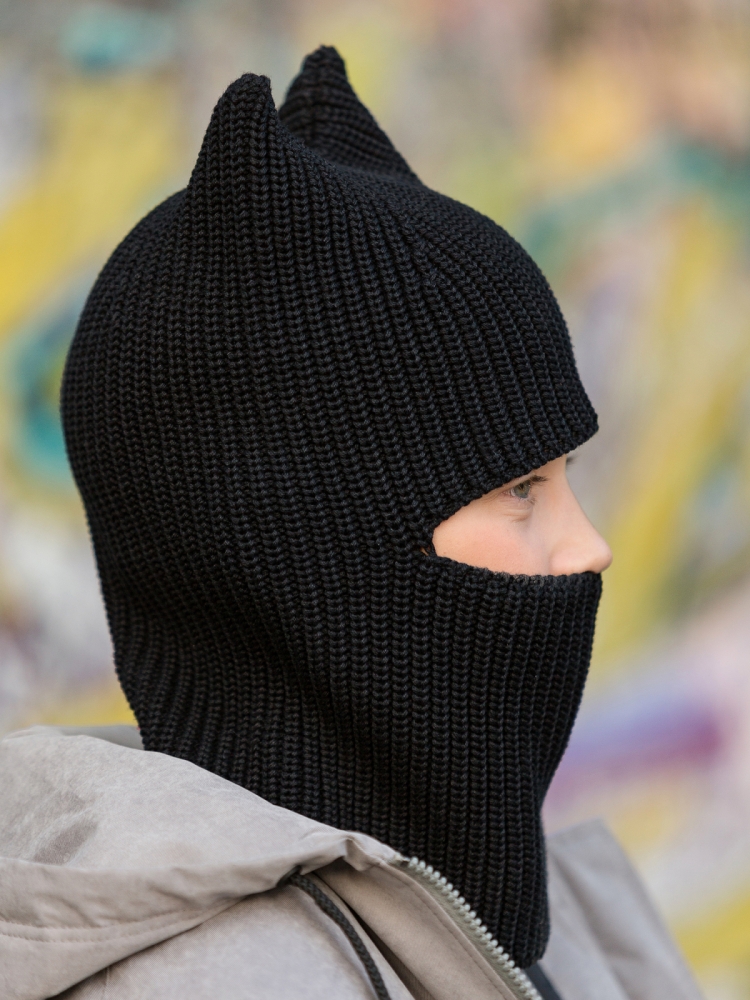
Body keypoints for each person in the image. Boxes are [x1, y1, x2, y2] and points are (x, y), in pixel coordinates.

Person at [0, 47, 703, 1000]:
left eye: (563, 476)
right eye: (520, 490)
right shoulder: (222, 984)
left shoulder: (545, 914)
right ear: (300, 558)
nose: (590, 546)